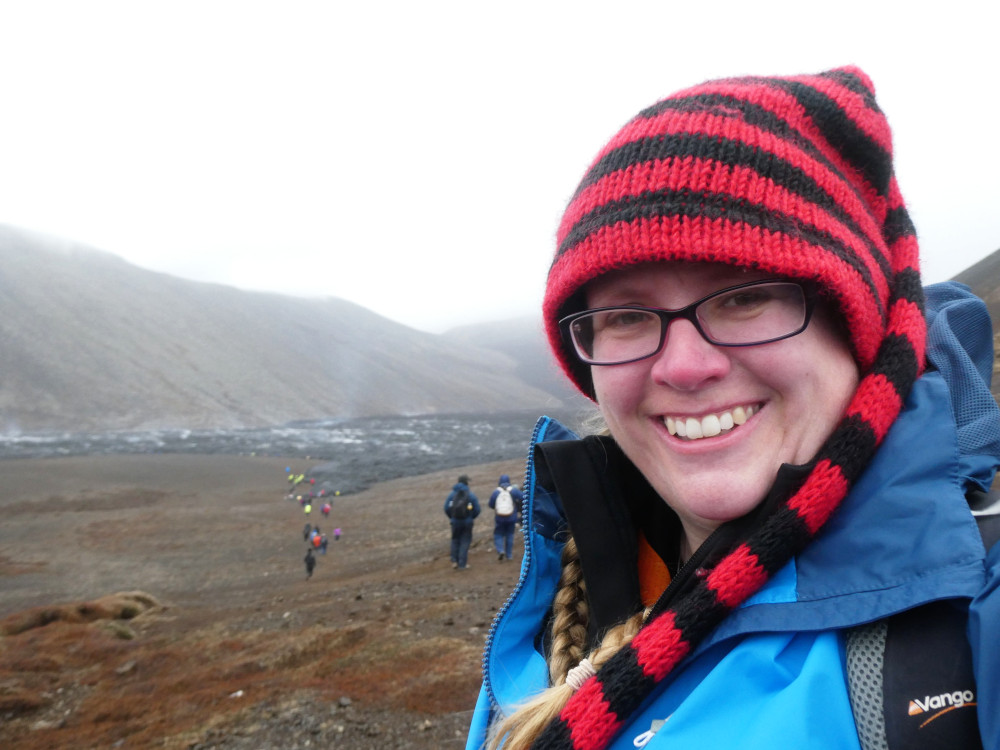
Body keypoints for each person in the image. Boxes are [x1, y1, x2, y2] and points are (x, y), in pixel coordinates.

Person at [466, 67, 1000, 750]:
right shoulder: (570, 597)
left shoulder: (974, 606)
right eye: (628, 315)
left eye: (745, 297)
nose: (685, 367)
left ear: (858, 329)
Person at [445, 474, 481, 570]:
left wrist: (452, 517)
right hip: (467, 522)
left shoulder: (451, 495)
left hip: (455, 521)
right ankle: (462, 564)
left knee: (455, 540)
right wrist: (471, 517)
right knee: (465, 541)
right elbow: (477, 509)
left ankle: (454, 560)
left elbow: (446, 508)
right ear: (466, 482)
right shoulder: (470, 494)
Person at [488, 474, 523, 561]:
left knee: (498, 534)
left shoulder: (496, 492)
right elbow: (523, 497)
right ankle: (509, 555)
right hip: (511, 517)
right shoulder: (513, 490)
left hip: (499, 517)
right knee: (510, 535)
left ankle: (500, 550)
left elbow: (491, 504)